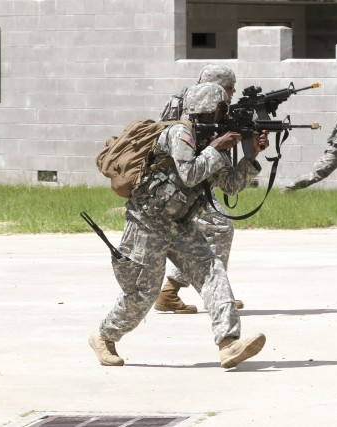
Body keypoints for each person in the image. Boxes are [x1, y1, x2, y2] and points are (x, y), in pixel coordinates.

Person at [89, 82, 269, 368]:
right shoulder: (180, 133)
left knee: (213, 272)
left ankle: (229, 344)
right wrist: (214, 149)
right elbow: (189, 174)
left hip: (182, 224)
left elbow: (231, 186)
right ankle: (104, 336)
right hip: (148, 223)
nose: (223, 116)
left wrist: (251, 157)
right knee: (143, 295)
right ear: (205, 111)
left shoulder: (214, 140)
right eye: (220, 111)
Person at [155, 64, 244, 314]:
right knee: (219, 227)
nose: (232, 93)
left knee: (214, 230)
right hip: (179, 184)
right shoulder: (195, 109)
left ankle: (208, 292)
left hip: (194, 179)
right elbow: (188, 164)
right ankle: (190, 292)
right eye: (229, 88)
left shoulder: (184, 100)